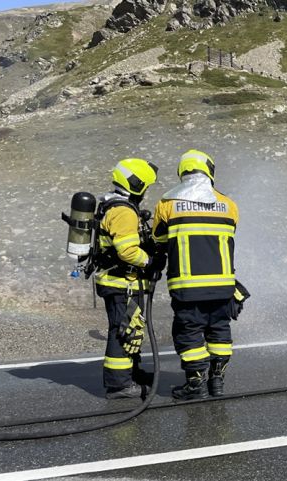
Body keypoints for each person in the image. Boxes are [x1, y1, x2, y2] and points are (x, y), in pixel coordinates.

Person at [150, 149, 240, 400]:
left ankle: (195, 384)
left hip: (188, 288)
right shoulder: (229, 205)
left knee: (189, 333)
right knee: (219, 331)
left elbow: (157, 239)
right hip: (223, 287)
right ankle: (217, 381)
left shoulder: (167, 205)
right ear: (209, 171)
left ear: (182, 171)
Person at [94, 158, 159, 399]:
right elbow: (127, 251)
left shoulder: (116, 206)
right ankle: (119, 384)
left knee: (131, 328)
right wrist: (150, 262)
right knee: (122, 331)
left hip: (122, 283)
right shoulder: (123, 212)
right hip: (123, 283)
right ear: (137, 184)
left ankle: (132, 372)